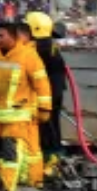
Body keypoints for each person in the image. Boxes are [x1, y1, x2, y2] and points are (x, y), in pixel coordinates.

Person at [0, 22, 52, 191]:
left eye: (1, 36)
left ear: (14, 37)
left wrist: (45, 109)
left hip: (17, 115)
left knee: (10, 153)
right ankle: (1, 180)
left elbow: (42, 84)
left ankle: (8, 188)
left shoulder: (28, 56)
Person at [28, 12, 68, 176]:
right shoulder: (47, 43)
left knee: (46, 127)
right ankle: (52, 156)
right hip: (54, 90)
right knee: (52, 125)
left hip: (47, 93)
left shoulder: (39, 47)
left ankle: (49, 161)